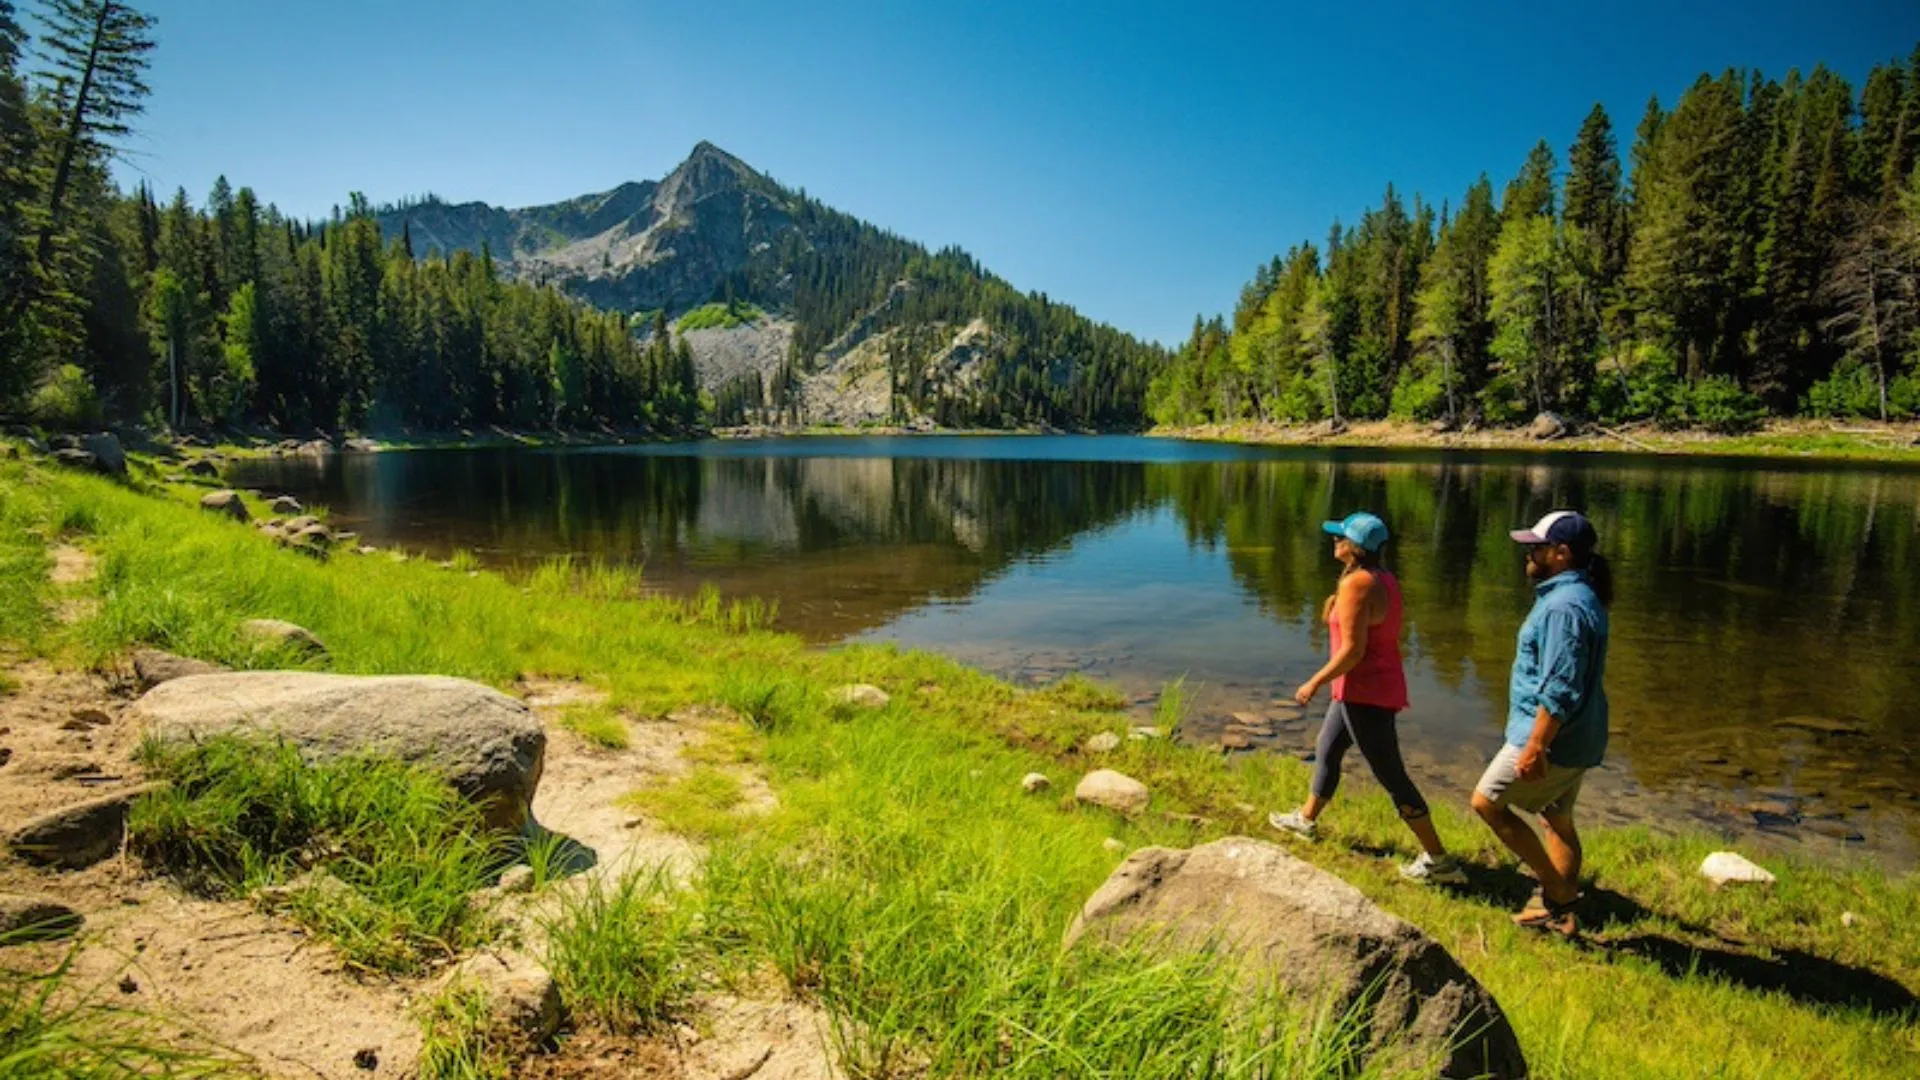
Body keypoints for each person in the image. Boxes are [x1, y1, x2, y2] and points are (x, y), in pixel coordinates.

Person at [1270, 511, 1466, 885]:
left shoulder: (1357, 584)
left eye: (1339, 537)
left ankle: (1439, 860)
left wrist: (1314, 681)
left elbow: (1354, 651)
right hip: (1361, 689)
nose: (1334, 541)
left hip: (1367, 693)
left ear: (1355, 548)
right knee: (1327, 748)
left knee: (1391, 774)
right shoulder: (1381, 578)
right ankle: (1306, 820)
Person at [1472, 510, 1612, 934]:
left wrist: (1535, 746)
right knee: (1556, 817)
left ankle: (1559, 893)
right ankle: (1561, 913)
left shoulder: (1563, 608)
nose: (1527, 555)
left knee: (1487, 803)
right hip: (1579, 737)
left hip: (1552, 739)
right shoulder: (1581, 595)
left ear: (1561, 553)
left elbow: (1559, 687)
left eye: (1535, 547)